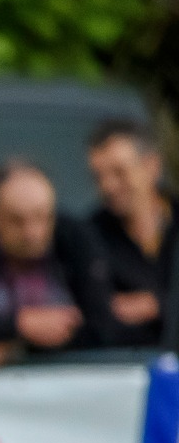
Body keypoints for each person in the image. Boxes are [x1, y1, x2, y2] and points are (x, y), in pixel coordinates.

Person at [0, 160, 116, 376]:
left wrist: (11, 348)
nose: (31, 233)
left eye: (41, 217)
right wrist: (22, 324)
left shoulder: (78, 236)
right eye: (17, 221)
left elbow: (102, 327)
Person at [85, 118, 172, 351]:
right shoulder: (90, 235)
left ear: (152, 165)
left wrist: (157, 305)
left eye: (119, 172)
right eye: (98, 177)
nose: (108, 186)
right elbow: (97, 314)